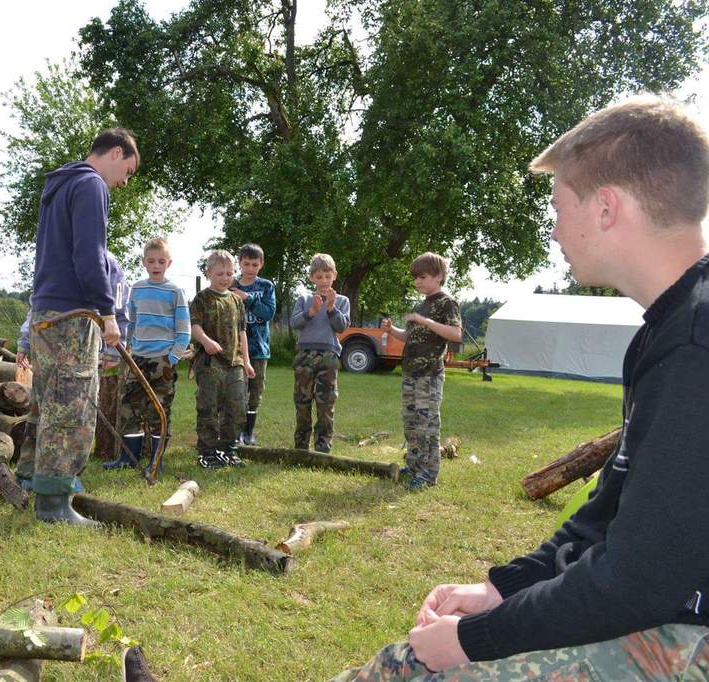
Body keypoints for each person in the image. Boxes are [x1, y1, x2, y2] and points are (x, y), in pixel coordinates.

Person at [330, 95, 709, 680]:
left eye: (558, 207)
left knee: (425, 671)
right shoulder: (667, 330)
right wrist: (499, 589)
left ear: (606, 207)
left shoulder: (693, 344)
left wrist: (473, 640)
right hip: (659, 605)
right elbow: (604, 516)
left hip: (687, 633)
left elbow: (637, 580)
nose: (554, 231)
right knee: (400, 663)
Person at [19, 127, 138, 528]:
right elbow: (90, 254)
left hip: (46, 310)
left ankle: (30, 478)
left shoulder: (60, 184)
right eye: (128, 171)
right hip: (72, 314)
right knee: (73, 403)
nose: (124, 182)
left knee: (47, 399)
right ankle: (54, 502)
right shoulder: (90, 185)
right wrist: (107, 311)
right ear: (116, 152)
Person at [16, 253, 129, 493]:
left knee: (71, 408)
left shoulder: (108, 264)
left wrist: (113, 349)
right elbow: (37, 304)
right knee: (49, 407)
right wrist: (25, 341)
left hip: (80, 339)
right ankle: (41, 475)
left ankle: (56, 474)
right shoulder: (55, 258)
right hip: (47, 340)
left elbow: (118, 307)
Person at [104, 237, 190, 474]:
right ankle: (128, 458)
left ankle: (156, 461)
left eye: (161, 261)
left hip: (162, 360)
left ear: (169, 263)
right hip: (137, 358)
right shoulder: (137, 289)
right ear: (144, 262)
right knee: (129, 407)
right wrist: (130, 347)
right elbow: (131, 322)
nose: (156, 265)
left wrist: (172, 358)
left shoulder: (175, 292)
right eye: (151, 261)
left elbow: (184, 330)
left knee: (158, 411)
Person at [381, 253, 462, 491]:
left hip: (429, 375)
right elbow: (408, 336)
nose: (417, 282)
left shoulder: (447, 302)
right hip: (410, 373)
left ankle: (428, 474)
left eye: (422, 277)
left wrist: (425, 321)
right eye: (415, 277)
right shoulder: (421, 305)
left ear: (438, 276)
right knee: (411, 423)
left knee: (427, 424)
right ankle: (414, 467)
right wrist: (391, 329)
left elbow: (456, 334)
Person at [190, 249, 256, 468]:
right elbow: (194, 326)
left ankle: (228, 449)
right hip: (210, 363)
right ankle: (207, 452)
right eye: (220, 274)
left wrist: (246, 361)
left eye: (229, 273)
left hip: (235, 364)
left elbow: (242, 333)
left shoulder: (237, 301)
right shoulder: (202, 299)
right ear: (209, 273)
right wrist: (206, 341)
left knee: (237, 407)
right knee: (208, 407)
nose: (225, 278)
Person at [289, 253, 350, 453]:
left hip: (328, 357)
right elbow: (294, 323)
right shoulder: (304, 299)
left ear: (334, 275)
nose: (324, 281)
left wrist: (331, 309)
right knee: (302, 402)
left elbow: (342, 327)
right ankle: (301, 447)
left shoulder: (342, 301)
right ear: (311, 278)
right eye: (319, 276)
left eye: (327, 276)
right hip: (304, 356)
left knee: (326, 404)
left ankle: (323, 448)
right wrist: (311, 312)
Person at [230, 243, 277, 445]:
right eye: (246, 264)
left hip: (258, 349)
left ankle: (249, 432)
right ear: (239, 263)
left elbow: (268, 313)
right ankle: (234, 432)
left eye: (254, 264)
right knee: (235, 391)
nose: (250, 268)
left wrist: (247, 299)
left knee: (255, 393)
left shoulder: (266, 286)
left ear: (261, 264)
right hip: (234, 350)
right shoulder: (230, 285)